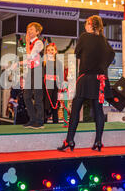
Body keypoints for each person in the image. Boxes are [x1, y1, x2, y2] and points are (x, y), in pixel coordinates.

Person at [57, 15, 114, 152]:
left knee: (76, 109)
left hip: (86, 77)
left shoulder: (84, 37)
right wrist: (102, 66)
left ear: (90, 24)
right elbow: (112, 55)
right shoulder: (104, 41)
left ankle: (70, 139)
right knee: (98, 110)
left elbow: (77, 53)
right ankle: (98, 141)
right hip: (100, 78)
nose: (85, 26)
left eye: (86, 24)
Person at [22, 22, 45, 129]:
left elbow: (30, 56)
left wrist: (26, 43)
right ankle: (32, 119)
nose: (29, 31)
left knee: (37, 96)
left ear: (37, 32)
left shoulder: (39, 43)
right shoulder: (30, 43)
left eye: (32, 29)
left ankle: (40, 121)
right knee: (26, 96)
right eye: (28, 29)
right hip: (30, 71)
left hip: (38, 70)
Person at [43, 43, 64, 124]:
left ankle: (55, 122)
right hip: (46, 85)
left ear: (55, 51)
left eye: (52, 49)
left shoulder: (59, 62)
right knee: (46, 103)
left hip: (55, 85)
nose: (50, 51)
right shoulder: (44, 62)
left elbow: (61, 75)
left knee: (55, 103)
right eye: (48, 50)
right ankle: (44, 121)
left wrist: (61, 85)